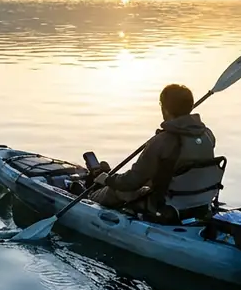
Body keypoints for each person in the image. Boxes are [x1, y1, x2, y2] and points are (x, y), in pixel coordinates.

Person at [87, 84, 216, 215]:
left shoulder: (161, 142)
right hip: (197, 201)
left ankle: (88, 194)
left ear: (165, 109)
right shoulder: (208, 135)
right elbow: (178, 165)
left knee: (115, 190)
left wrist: (108, 180)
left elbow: (132, 181)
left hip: (162, 206)